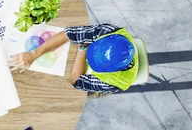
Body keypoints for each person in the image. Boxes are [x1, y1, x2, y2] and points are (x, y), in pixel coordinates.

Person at [8, 24, 141, 94]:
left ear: (109, 70)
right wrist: (34, 54)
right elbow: (69, 33)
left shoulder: (112, 83)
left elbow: (76, 81)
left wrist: (83, 49)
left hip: (95, 77)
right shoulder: (109, 32)